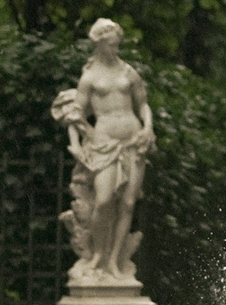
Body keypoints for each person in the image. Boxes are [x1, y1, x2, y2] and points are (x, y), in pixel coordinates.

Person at [51, 19, 155, 285]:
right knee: (104, 200)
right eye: (110, 44)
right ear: (99, 43)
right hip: (104, 142)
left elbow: (143, 105)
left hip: (133, 140)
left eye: (117, 43)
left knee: (129, 203)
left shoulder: (128, 72)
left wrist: (148, 128)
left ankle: (114, 261)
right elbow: (76, 112)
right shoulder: (90, 77)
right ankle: (97, 255)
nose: (115, 48)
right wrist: (75, 143)